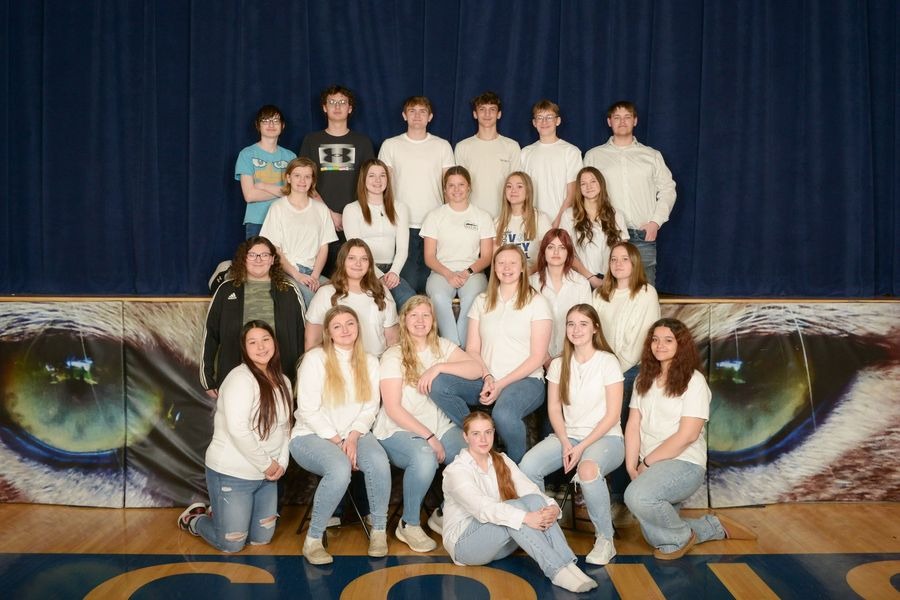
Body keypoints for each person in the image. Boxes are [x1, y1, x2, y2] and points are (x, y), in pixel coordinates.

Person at [624, 318, 757, 559]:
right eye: (655, 340)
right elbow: (633, 424)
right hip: (650, 465)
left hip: (684, 463)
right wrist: (631, 466)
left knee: (637, 497)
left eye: (667, 340)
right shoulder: (643, 379)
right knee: (653, 535)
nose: (659, 345)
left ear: (681, 345)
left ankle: (682, 536)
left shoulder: (693, 381)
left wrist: (646, 464)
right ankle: (711, 527)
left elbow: (688, 435)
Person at [441, 412, 597, 593]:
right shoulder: (456, 471)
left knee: (535, 500)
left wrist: (553, 508)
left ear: (493, 433)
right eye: (476, 434)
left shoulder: (502, 460)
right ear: (465, 436)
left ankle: (568, 565)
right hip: (466, 548)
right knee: (513, 509)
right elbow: (483, 509)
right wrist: (526, 517)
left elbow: (530, 490)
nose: (483, 439)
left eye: (488, 432)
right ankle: (557, 571)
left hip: (499, 545)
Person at [374, 295, 482, 552]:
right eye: (414, 315)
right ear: (404, 320)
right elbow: (393, 408)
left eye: (426, 315)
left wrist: (438, 368)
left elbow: (476, 369)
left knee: (472, 454)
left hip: (441, 426)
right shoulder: (393, 355)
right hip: (399, 429)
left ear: (433, 320)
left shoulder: (442, 347)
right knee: (425, 457)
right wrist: (429, 437)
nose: (420, 321)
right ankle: (409, 524)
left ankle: (443, 514)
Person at [519, 304, 625, 565]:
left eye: (583, 324)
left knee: (588, 470)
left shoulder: (607, 362)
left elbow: (612, 416)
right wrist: (566, 442)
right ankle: (545, 527)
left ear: (595, 328)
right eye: (571, 324)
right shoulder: (558, 364)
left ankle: (605, 540)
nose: (576, 330)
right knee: (528, 466)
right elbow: (554, 408)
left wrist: (580, 448)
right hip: (570, 437)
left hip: (606, 438)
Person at [178, 321, 293, 552]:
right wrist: (267, 464)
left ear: (274, 343)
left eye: (265, 340)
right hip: (233, 474)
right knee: (232, 543)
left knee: (261, 539)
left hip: (267, 476)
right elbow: (238, 429)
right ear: (244, 348)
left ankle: (221, 512)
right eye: (253, 342)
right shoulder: (240, 379)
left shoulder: (284, 381)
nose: (261, 347)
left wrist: (281, 463)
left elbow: (286, 428)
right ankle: (195, 520)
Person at [430, 245, 551, 462]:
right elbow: (473, 350)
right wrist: (487, 377)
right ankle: (482, 437)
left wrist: (500, 384)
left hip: (525, 381)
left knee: (503, 414)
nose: (506, 268)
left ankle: (515, 470)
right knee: (439, 385)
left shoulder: (537, 303)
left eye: (513, 263)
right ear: (494, 268)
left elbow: (537, 358)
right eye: (501, 263)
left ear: (523, 267)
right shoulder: (481, 301)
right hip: (484, 378)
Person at [290, 306, 390, 564]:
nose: (345, 330)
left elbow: (370, 407)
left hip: (354, 432)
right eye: (337, 326)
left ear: (358, 328)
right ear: (328, 332)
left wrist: (354, 437)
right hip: (312, 435)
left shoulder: (370, 361)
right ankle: (313, 541)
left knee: (379, 461)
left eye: (350, 324)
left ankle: (379, 531)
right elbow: (308, 410)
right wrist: (339, 441)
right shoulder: (314, 359)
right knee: (339, 468)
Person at [583, 101, 676, 286]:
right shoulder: (594, 156)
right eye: (617, 117)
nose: (622, 121)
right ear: (609, 122)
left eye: (627, 117)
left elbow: (668, 189)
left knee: (644, 291)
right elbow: (584, 190)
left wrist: (655, 222)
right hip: (607, 235)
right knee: (607, 293)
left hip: (642, 234)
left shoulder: (651, 156)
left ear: (635, 121)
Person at [201, 236, 305, 396]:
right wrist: (207, 378)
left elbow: (301, 336)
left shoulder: (289, 290)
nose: (258, 259)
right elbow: (210, 334)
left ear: (272, 260)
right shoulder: (226, 290)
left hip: (280, 380)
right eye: (252, 255)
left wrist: (300, 380)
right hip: (235, 380)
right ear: (244, 259)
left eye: (264, 255)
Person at [378, 96, 455, 293]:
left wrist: (449, 218)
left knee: (434, 284)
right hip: (401, 223)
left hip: (434, 223)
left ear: (430, 117)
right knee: (408, 282)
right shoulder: (391, 145)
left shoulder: (442, 145)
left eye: (422, 111)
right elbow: (382, 184)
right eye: (412, 111)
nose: (417, 116)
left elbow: (449, 185)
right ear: (404, 115)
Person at [299, 85, 375, 275]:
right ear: (324, 107)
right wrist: (328, 213)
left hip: (355, 220)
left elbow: (370, 182)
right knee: (319, 277)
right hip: (318, 218)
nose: (337, 106)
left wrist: (349, 214)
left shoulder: (363, 142)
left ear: (350, 108)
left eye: (342, 102)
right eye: (332, 102)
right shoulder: (311, 140)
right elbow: (303, 182)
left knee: (351, 276)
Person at [420, 166, 493, 347]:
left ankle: (459, 347)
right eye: (451, 185)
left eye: (461, 185)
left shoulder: (482, 217)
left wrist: (467, 272)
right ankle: (454, 345)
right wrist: (449, 274)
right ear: (444, 189)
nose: (456, 190)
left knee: (474, 297)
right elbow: (429, 257)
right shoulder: (435, 216)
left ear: (469, 188)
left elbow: (486, 257)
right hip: (441, 272)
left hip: (473, 273)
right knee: (438, 296)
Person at [260, 157, 338, 309]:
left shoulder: (321, 209)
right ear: (288, 178)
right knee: (312, 300)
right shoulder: (278, 208)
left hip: (312, 272)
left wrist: (315, 276)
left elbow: (324, 247)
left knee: (338, 295)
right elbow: (274, 249)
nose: (302, 180)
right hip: (287, 271)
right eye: (297, 175)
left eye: (307, 176)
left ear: (312, 181)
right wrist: (298, 276)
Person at [304, 239, 399, 357]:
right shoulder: (326, 293)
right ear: (342, 261)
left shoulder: (382, 292)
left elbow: (393, 340)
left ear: (370, 264)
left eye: (364, 259)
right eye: (351, 258)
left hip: (377, 365)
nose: (358, 264)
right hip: (340, 366)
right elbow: (312, 340)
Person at [342, 159, 416, 309]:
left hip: (392, 270)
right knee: (378, 305)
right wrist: (379, 276)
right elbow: (356, 251)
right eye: (372, 176)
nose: (378, 180)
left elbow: (402, 248)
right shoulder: (351, 209)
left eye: (382, 175)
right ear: (363, 179)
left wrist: (394, 273)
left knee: (410, 302)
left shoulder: (400, 208)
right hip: (362, 270)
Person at [454, 91, 521, 218]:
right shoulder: (463, 147)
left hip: (504, 217)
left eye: (492, 109)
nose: (487, 114)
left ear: (499, 114)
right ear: (475, 114)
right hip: (471, 216)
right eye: (482, 109)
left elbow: (517, 186)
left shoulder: (512, 146)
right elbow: (459, 185)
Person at [529, 229, 592, 361]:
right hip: (536, 359)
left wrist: (566, 359)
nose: (556, 252)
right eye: (551, 247)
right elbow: (526, 327)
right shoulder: (531, 283)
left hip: (573, 357)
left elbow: (586, 325)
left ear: (568, 252)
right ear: (543, 252)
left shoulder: (581, 283)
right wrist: (546, 360)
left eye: (562, 248)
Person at [234, 105, 297, 239]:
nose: (271, 124)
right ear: (258, 125)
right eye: (266, 120)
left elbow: (294, 192)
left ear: (283, 125)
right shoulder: (247, 154)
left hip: (285, 219)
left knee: (284, 260)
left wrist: (263, 186)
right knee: (258, 259)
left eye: (275, 120)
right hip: (257, 221)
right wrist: (283, 191)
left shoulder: (290, 156)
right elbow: (250, 195)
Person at [519, 99, 582, 229]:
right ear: (534, 123)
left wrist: (557, 222)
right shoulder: (525, 152)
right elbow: (522, 192)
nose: (544, 122)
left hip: (563, 223)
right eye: (540, 118)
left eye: (549, 117)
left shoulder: (571, 151)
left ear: (557, 121)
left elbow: (572, 193)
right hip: (533, 223)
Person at [561, 167, 628, 290]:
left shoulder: (616, 215)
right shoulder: (568, 215)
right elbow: (567, 252)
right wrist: (590, 278)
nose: (588, 186)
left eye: (593, 181)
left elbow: (623, 252)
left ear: (601, 184)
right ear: (579, 189)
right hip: (580, 280)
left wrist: (610, 278)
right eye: (583, 183)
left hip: (611, 280)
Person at [493, 171, 552, 271]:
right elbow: (495, 259)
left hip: (533, 275)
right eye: (509, 186)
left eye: (519, 186)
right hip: (507, 276)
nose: (513, 190)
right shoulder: (498, 221)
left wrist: (527, 275)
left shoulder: (541, 219)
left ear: (528, 191)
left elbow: (546, 256)